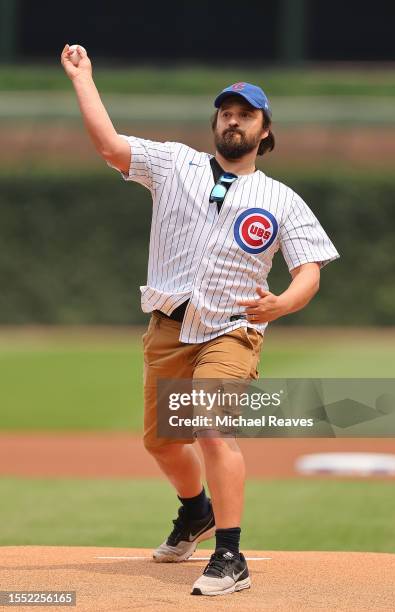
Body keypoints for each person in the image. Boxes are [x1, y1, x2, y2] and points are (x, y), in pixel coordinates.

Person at [61, 44, 340, 597]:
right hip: (168, 327)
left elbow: (309, 270)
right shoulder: (174, 163)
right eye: (226, 112)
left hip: (232, 329)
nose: (233, 119)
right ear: (216, 122)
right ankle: (195, 513)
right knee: (163, 443)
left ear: (265, 131)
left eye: (246, 114)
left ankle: (230, 555)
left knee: (212, 428)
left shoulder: (281, 199)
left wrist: (283, 303)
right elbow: (110, 146)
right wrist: (83, 79)